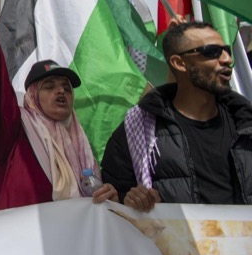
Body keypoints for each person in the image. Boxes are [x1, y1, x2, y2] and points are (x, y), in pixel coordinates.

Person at [0, 0, 117, 210]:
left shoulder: (81, 145)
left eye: (66, 87)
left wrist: (108, 199)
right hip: (19, 234)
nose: (61, 91)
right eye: (49, 86)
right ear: (33, 96)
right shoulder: (14, 131)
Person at [101, 21, 252, 210]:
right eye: (212, 52)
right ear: (179, 63)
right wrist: (133, 200)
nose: (227, 59)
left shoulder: (246, 124)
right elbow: (115, 205)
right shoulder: (138, 130)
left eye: (226, 51)